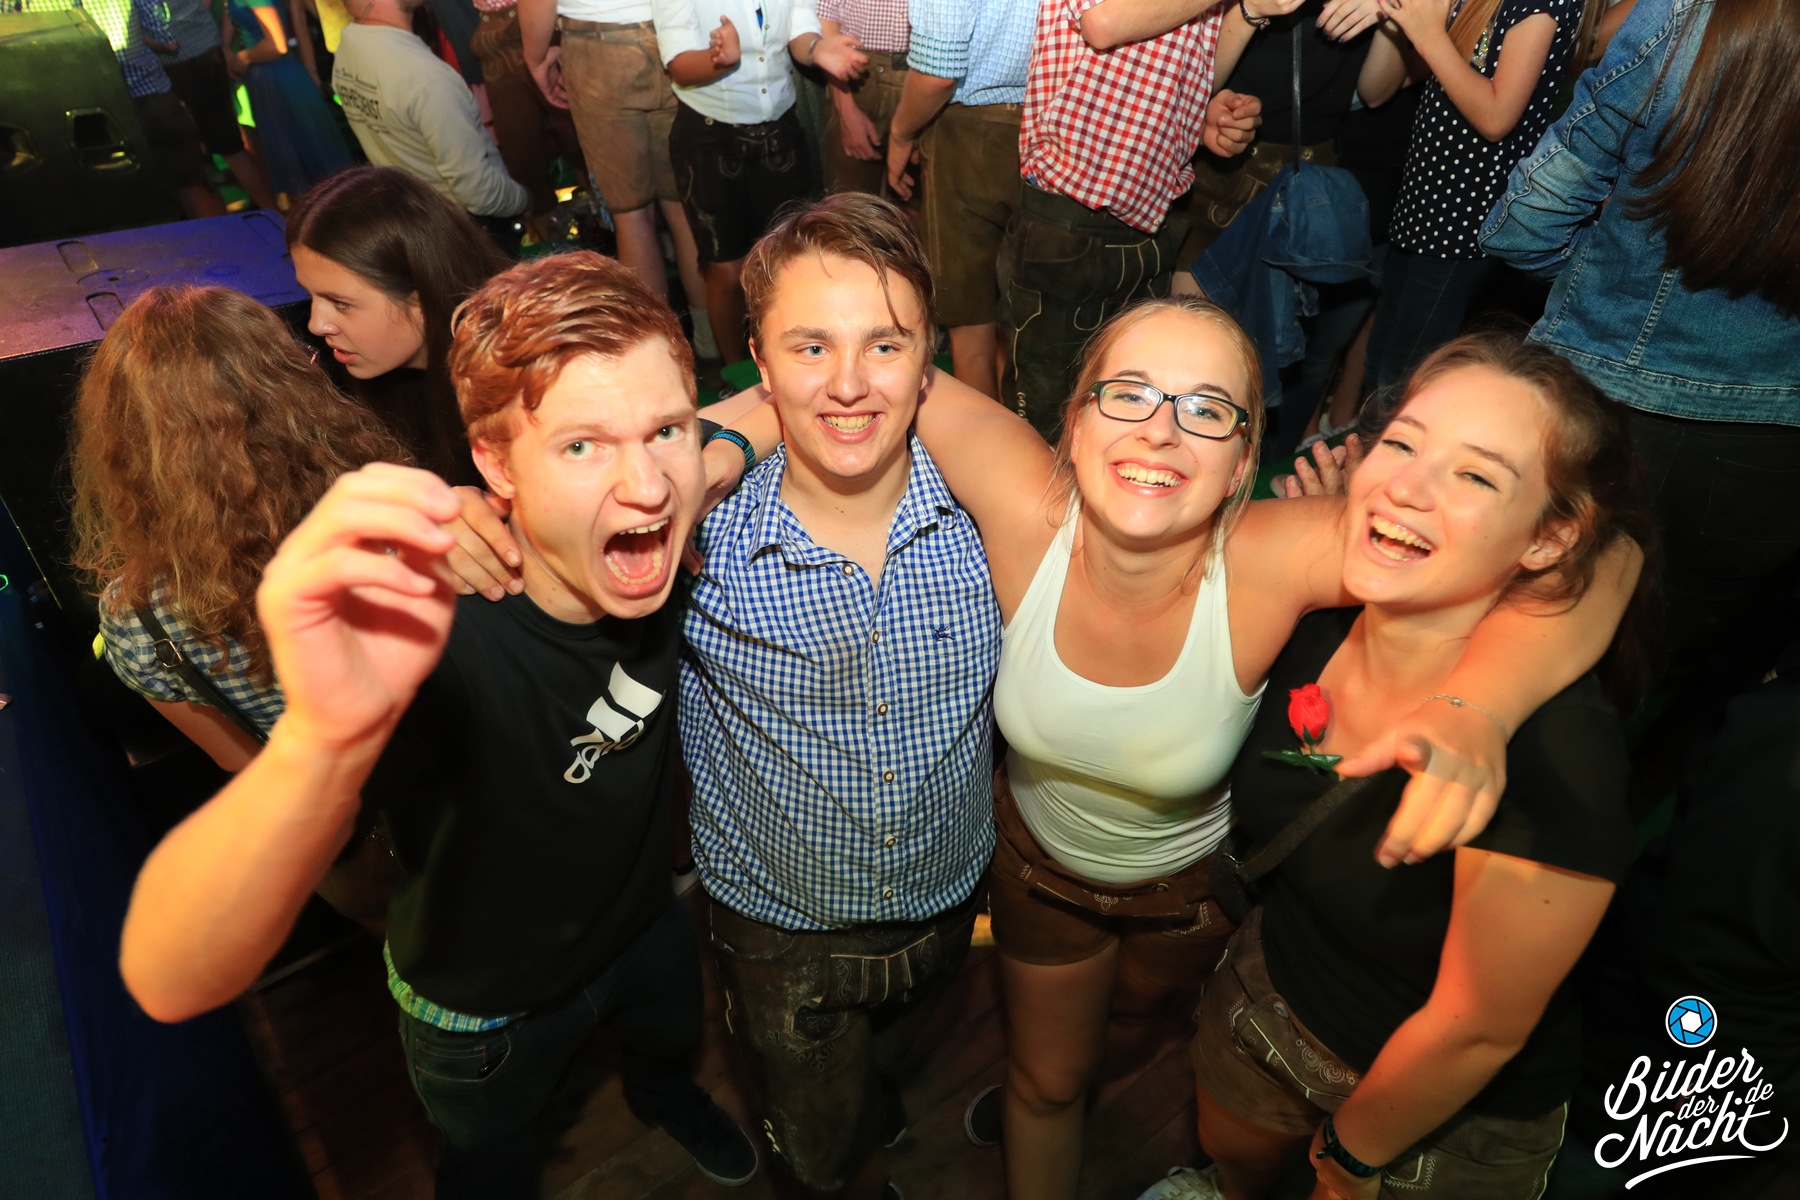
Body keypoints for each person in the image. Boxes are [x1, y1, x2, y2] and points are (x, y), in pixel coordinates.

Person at [681, 198, 1637, 1198]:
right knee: (1046, 1082)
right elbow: (849, 372)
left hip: (1195, 896)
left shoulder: (1273, 557)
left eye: (1207, 409)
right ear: (1072, 421)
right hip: (1034, 871)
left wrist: (1481, 705)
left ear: (1243, 464)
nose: (1161, 431)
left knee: (1130, 1036)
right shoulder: (1024, 505)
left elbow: (1604, 554)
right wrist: (717, 444)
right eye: (1127, 394)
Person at [117, 251, 760, 1198]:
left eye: (664, 430)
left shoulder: (665, 511)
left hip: (641, 926)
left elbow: (765, 408)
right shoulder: (434, 642)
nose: (647, 486)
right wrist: (320, 742)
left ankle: (666, 1096)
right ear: (494, 462)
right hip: (487, 1010)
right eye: (581, 446)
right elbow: (172, 972)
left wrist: (723, 447)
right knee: (486, 1165)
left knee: (668, 1048)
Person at [1181, 334, 1648, 1200]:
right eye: (1401, 443)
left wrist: (1349, 1157)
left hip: (1440, 1114)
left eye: (1476, 476)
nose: (1407, 486)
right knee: (1231, 1168)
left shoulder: (1559, 763)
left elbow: (1476, 1032)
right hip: (1268, 994)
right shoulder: (1320, 608)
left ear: (1549, 538)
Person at [72, 286, 413, 925]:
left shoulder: (137, 621)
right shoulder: (390, 509)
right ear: (287, 390)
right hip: (472, 792)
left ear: (123, 444)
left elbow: (243, 764)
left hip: (353, 842)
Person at [1479, 0, 1800, 662]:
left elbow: (1527, 222)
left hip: (1598, 403)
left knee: (1502, 645)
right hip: (1769, 455)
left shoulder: (1686, 16)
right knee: (1649, 665)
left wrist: (1606, 283)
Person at [996, 0, 1258, 437]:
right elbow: (1102, 22)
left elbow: (1194, 74)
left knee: (1126, 408)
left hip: (1153, 217)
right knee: (1043, 423)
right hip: (1070, 214)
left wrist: (1249, 13)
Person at [1353, 0, 1597, 394]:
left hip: (1464, 219)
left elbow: (1497, 117)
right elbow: (1436, 71)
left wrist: (1428, 34)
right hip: (1423, 198)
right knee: (1383, 355)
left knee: (1404, 377)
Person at [651, 0, 867, 363]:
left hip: (781, 131)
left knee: (787, 262)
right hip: (710, 136)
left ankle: (789, 365)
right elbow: (679, 66)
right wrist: (718, 59)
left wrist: (817, 49)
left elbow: (800, 30)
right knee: (726, 271)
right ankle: (736, 376)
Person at [285, 166, 512, 493]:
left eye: (340, 303)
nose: (315, 324)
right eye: (311, 296)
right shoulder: (387, 385)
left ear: (422, 303)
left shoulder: (517, 391)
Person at [515, 0, 710, 339]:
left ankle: (659, 349)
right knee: (684, 210)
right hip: (678, 36)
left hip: (598, 51)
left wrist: (534, 58)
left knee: (632, 219)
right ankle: (711, 346)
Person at [881, 0, 1033, 399]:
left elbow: (937, 76)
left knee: (971, 326)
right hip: (1056, 124)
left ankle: (983, 437)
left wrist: (900, 133)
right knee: (1029, 323)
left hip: (969, 134)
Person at [330, 0, 533, 254]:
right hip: (471, 236)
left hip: (421, 224)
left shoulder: (348, 49)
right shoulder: (426, 79)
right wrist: (524, 200)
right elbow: (479, 193)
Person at [465, 0, 587, 224]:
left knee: (581, 134)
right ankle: (551, 234)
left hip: (544, 17)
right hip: (492, 35)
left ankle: (606, 213)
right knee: (520, 150)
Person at [153, 0, 281, 211]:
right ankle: (270, 210)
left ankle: (271, 213)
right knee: (231, 144)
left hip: (186, 60)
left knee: (226, 147)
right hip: (203, 48)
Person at [222, 0, 355, 202]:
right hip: (268, 77)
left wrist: (242, 57)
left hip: (277, 78)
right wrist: (226, 48)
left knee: (309, 168)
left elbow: (277, 46)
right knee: (302, 168)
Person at [819, 0, 911, 198]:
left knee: (915, 203)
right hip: (856, 77)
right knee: (851, 201)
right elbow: (826, 15)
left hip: (925, 78)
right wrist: (845, 109)